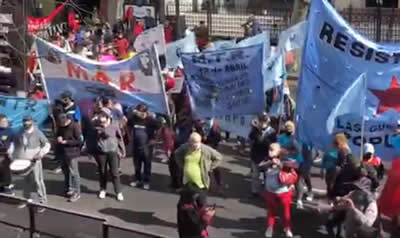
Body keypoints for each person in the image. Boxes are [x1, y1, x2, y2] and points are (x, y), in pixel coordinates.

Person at [260, 143, 296, 238]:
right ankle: (270, 227)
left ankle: (287, 228)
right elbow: (260, 166)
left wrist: (280, 164)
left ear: (279, 151)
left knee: (285, 211)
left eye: (272, 150)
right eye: (269, 149)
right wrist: (270, 163)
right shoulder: (267, 160)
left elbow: (294, 166)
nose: (269, 152)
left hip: (283, 192)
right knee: (271, 210)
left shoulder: (285, 160)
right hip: (270, 191)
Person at [13, 115, 51, 205]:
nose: (26, 123)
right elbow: (16, 145)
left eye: (28, 121)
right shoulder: (20, 132)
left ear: (32, 122)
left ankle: (43, 200)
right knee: (26, 180)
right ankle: (26, 199)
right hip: (24, 161)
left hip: (35, 161)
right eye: (24, 121)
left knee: (38, 180)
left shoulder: (37, 132)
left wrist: (40, 154)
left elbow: (47, 144)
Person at [92, 108, 125, 201]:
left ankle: (118, 191)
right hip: (101, 152)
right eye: (100, 115)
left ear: (108, 116)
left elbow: (120, 138)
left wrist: (122, 150)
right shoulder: (96, 126)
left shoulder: (114, 125)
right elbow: (92, 138)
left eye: (103, 116)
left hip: (112, 151)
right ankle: (103, 189)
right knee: (102, 171)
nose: (101, 118)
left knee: (115, 173)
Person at [128, 104, 161, 190]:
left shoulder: (151, 120)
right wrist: (129, 136)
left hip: (147, 146)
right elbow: (128, 126)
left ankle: (146, 181)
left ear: (144, 112)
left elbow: (160, 128)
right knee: (137, 164)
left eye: (140, 112)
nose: (138, 114)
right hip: (135, 145)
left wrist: (155, 139)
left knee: (147, 164)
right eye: (137, 112)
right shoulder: (133, 118)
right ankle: (137, 179)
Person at [56, 113, 83, 202]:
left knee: (74, 172)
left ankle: (77, 192)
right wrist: (59, 137)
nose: (62, 126)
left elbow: (79, 141)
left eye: (64, 124)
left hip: (72, 153)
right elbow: (58, 133)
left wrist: (67, 142)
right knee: (66, 171)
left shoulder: (75, 126)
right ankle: (69, 187)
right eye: (61, 124)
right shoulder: (61, 126)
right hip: (63, 152)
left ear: (68, 120)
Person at [248, 112, 276, 196]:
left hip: (266, 157)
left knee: (267, 176)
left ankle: (267, 192)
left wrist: (260, 132)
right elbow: (251, 138)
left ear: (267, 121)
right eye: (261, 120)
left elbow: (270, 144)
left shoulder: (272, 132)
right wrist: (256, 129)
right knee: (255, 176)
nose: (262, 122)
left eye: (264, 120)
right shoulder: (255, 130)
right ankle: (255, 192)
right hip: (256, 156)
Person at [0, 114, 14, 195]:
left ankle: (6, 188)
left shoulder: (10, 131)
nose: (5, 123)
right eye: (3, 121)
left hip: (5, 155)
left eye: (6, 121)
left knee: (6, 172)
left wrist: (11, 150)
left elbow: (13, 142)